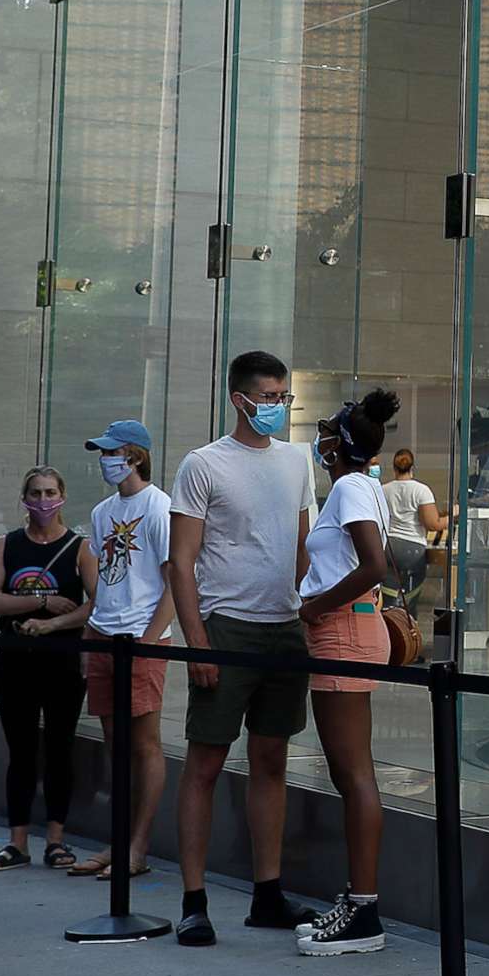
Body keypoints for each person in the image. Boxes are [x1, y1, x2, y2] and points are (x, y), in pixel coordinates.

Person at [167, 350, 316, 945]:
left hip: (285, 627)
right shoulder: (203, 464)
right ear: (240, 399)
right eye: (269, 396)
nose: (277, 406)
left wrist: (310, 611)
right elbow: (181, 561)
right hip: (225, 624)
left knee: (272, 760)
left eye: (284, 396)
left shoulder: (297, 461)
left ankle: (268, 893)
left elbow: (306, 545)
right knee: (205, 762)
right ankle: (194, 900)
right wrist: (196, 641)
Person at [295, 388, 404, 956]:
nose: (321, 440)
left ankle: (364, 911)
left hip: (341, 629)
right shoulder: (359, 486)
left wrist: (314, 607)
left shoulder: (349, 487)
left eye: (326, 432)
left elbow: (374, 564)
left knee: (354, 773)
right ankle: (357, 899)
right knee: (348, 772)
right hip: (344, 628)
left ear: (339, 444)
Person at [0, 467, 94, 872]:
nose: (43, 501)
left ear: (62, 496)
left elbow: (94, 604)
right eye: (35, 493)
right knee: (21, 751)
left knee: (60, 749)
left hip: (62, 660)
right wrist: (42, 602)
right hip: (15, 659)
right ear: (24, 498)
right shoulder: (4, 546)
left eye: (49, 492)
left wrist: (54, 624)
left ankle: (57, 839)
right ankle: (18, 840)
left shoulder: (80, 548)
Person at [77, 420, 174, 880]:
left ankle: (138, 845)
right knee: (115, 743)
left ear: (134, 456)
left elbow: (176, 583)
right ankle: (116, 841)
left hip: (140, 636)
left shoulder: (160, 508)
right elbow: (103, 574)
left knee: (144, 743)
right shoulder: (103, 512)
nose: (105, 460)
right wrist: (90, 632)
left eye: (111, 452)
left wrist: (149, 640)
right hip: (104, 631)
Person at [379, 447, 444, 604]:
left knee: (388, 600)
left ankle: (389, 625)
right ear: (413, 468)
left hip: (389, 547)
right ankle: (408, 625)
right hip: (412, 550)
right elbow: (432, 524)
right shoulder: (421, 490)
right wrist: (455, 514)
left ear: (394, 468)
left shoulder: (383, 490)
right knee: (410, 601)